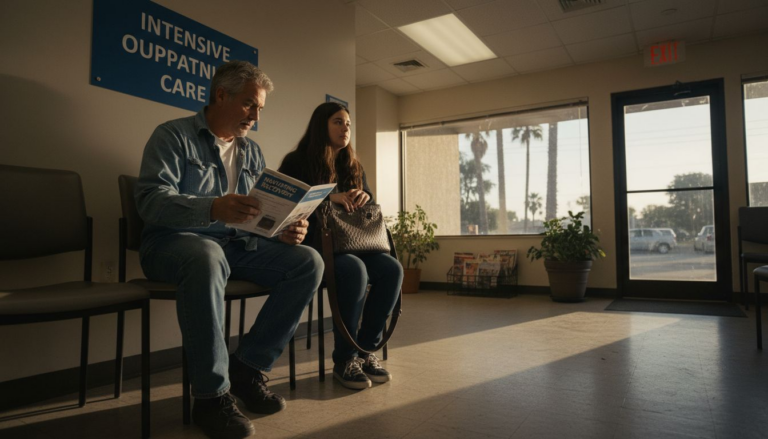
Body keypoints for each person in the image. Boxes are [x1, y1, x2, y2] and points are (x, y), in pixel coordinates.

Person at [135, 61, 323, 439]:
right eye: (250, 105)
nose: (255, 116)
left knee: (308, 262)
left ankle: (247, 367)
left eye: (260, 109)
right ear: (221, 95)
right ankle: (210, 395)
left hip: (236, 247)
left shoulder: (252, 153)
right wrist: (211, 207)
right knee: (207, 255)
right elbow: (151, 202)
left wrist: (285, 230)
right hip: (173, 245)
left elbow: (257, 215)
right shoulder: (173, 136)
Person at [279, 102, 403, 390]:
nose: (345, 127)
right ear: (321, 125)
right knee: (354, 270)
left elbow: (369, 206)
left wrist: (363, 195)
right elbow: (285, 205)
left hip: (356, 243)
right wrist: (327, 198)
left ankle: (365, 351)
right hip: (313, 246)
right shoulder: (297, 161)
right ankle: (345, 359)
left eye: (347, 123)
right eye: (338, 121)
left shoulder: (353, 165)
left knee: (392, 270)